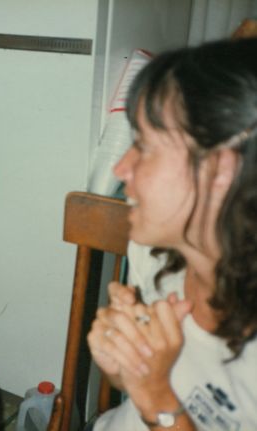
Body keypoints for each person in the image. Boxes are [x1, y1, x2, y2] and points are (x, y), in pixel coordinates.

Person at [87, 37, 257, 430]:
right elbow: (128, 383)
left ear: (220, 169)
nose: (121, 168)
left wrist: (154, 397)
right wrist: (126, 358)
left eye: (143, 146)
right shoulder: (156, 254)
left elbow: (152, 394)